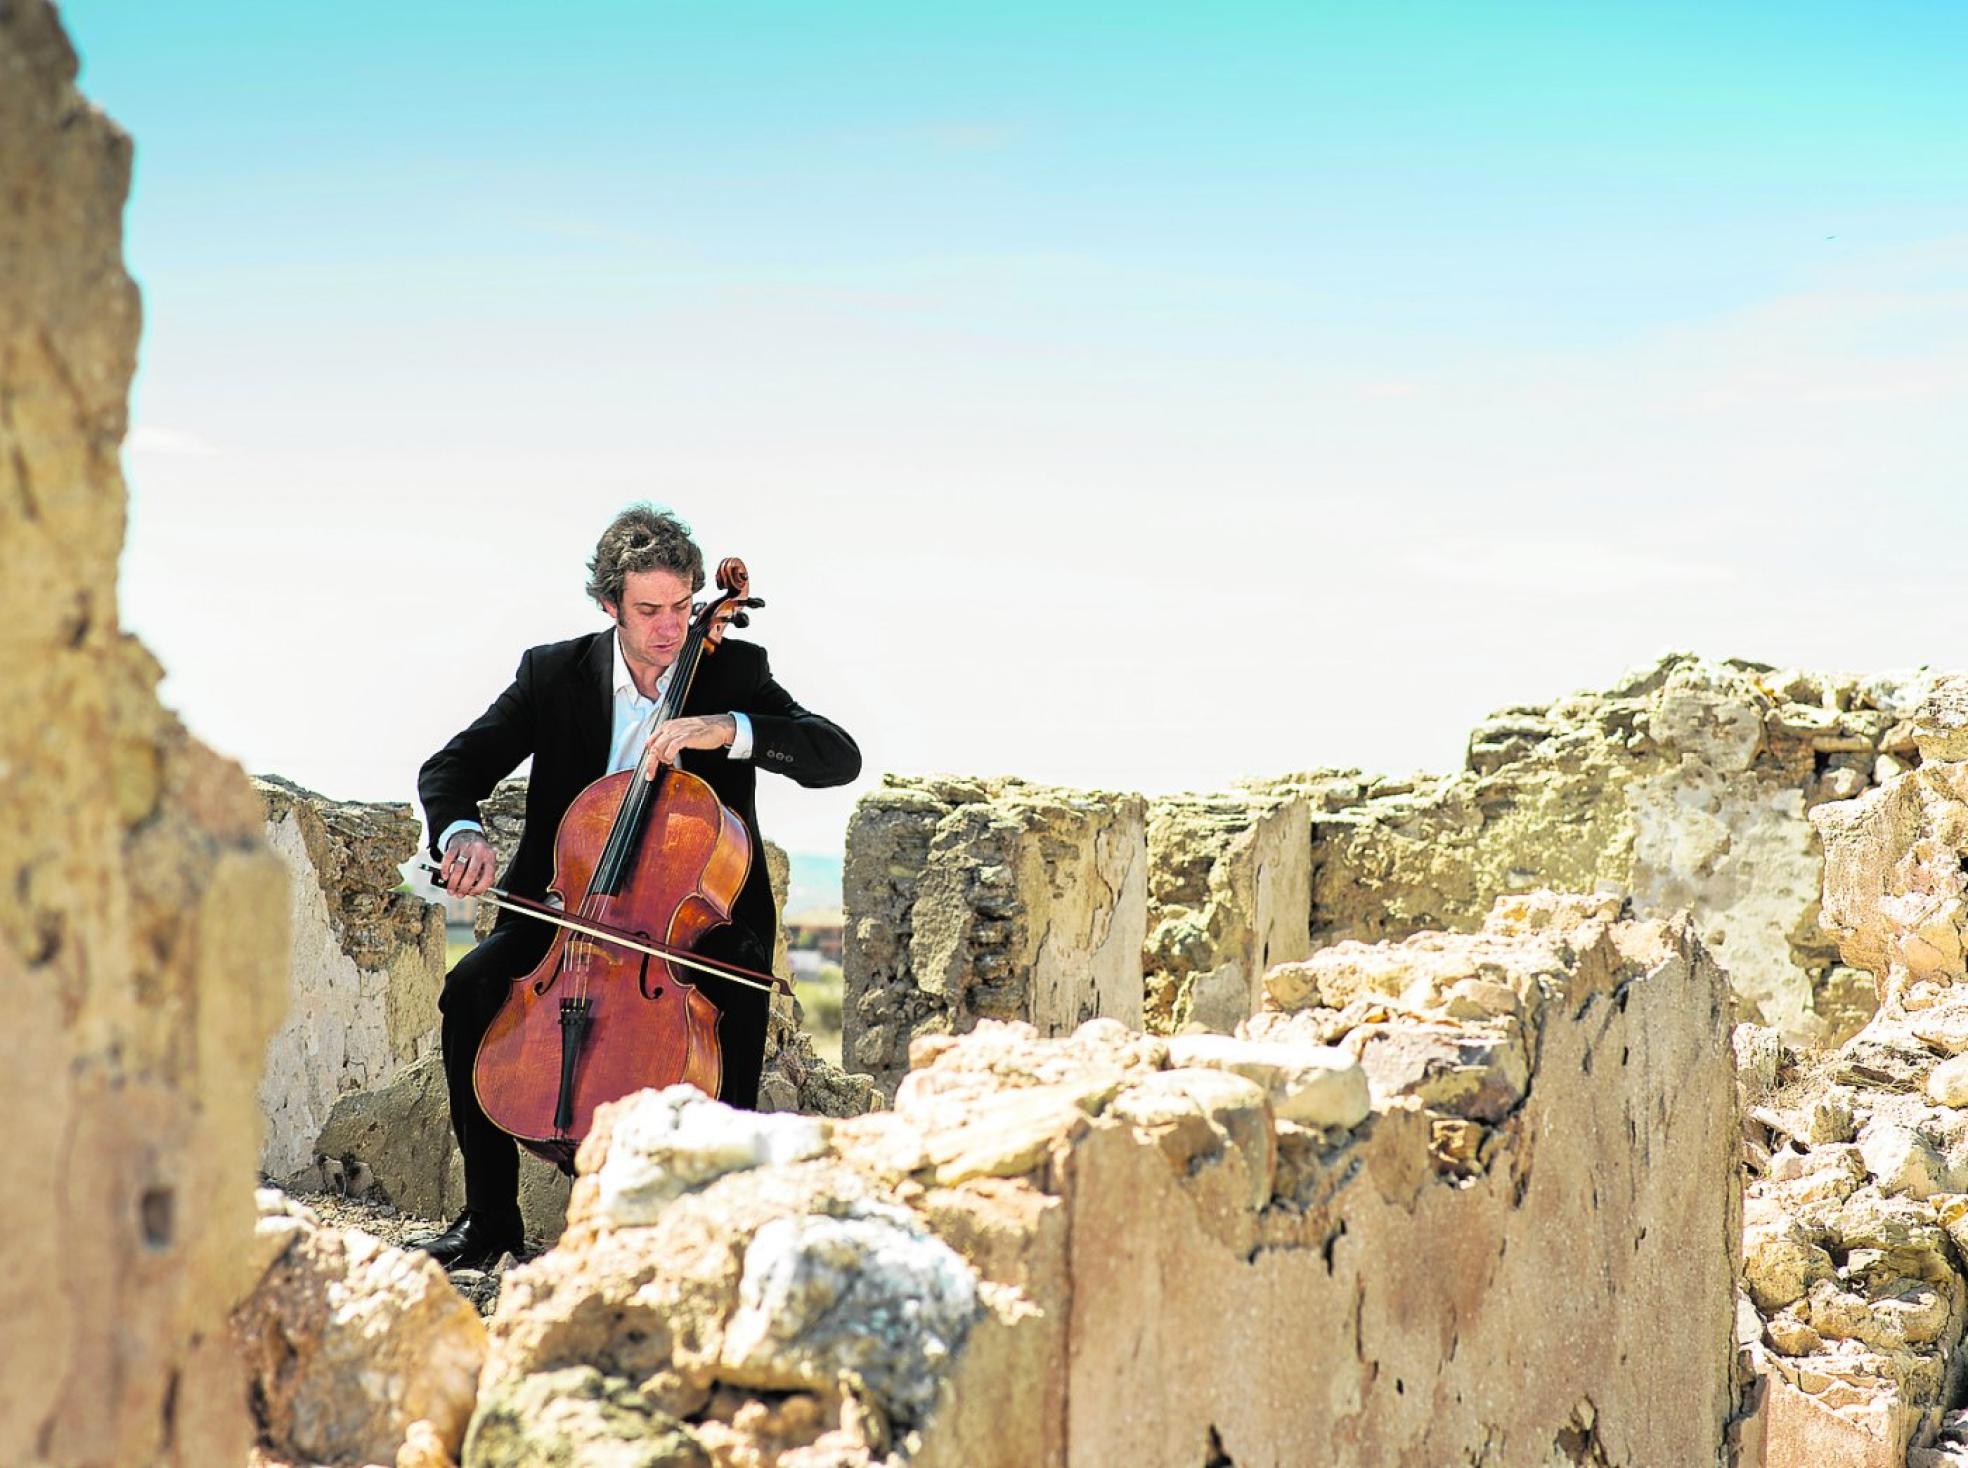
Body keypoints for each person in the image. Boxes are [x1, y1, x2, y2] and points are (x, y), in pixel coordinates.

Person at [411, 505, 860, 1268]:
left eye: (684, 607)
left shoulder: (733, 673)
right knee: (471, 988)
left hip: (691, 917)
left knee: (739, 983)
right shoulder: (551, 673)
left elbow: (836, 756)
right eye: (649, 610)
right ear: (609, 604)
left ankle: (717, 1219)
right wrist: (463, 834)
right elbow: (450, 771)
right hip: (568, 908)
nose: (670, 627)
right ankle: (490, 1218)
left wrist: (731, 728)